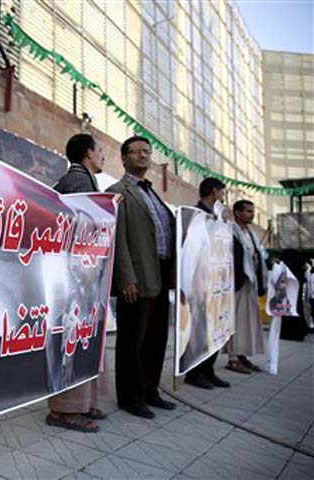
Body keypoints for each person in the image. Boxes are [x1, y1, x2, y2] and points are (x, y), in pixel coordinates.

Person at [106, 136, 176, 419]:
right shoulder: (118, 191)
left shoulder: (152, 193)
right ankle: (130, 397)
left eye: (147, 152)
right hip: (137, 277)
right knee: (131, 340)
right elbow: (118, 238)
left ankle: (150, 390)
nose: (144, 156)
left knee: (156, 337)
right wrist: (125, 278)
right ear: (123, 158)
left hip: (161, 274)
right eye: (137, 152)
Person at [46, 133, 107, 433]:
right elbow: (87, 234)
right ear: (87, 153)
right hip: (78, 279)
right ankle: (65, 411)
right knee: (75, 342)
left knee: (84, 341)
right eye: (99, 151)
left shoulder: (79, 180)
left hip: (80, 278)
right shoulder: (80, 182)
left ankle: (84, 404)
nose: (103, 156)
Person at [184, 177, 231, 389]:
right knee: (200, 328)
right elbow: (192, 251)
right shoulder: (197, 216)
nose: (224, 197)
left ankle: (208, 369)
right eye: (222, 192)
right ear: (214, 192)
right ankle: (195, 373)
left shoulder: (218, 218)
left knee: (215, 326)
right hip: (201, 280)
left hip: (217, 282)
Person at [225, 200, 267, 374]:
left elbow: (258, 256)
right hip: (236, 284)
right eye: (249, 211)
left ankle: (243, 355)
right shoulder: (230, 231)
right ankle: (233, 358)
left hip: (250, 284)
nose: (252, 214)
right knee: (234, 321)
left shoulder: (250, 234)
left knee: (247, 322)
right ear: (237, 213)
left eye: (253, 210)